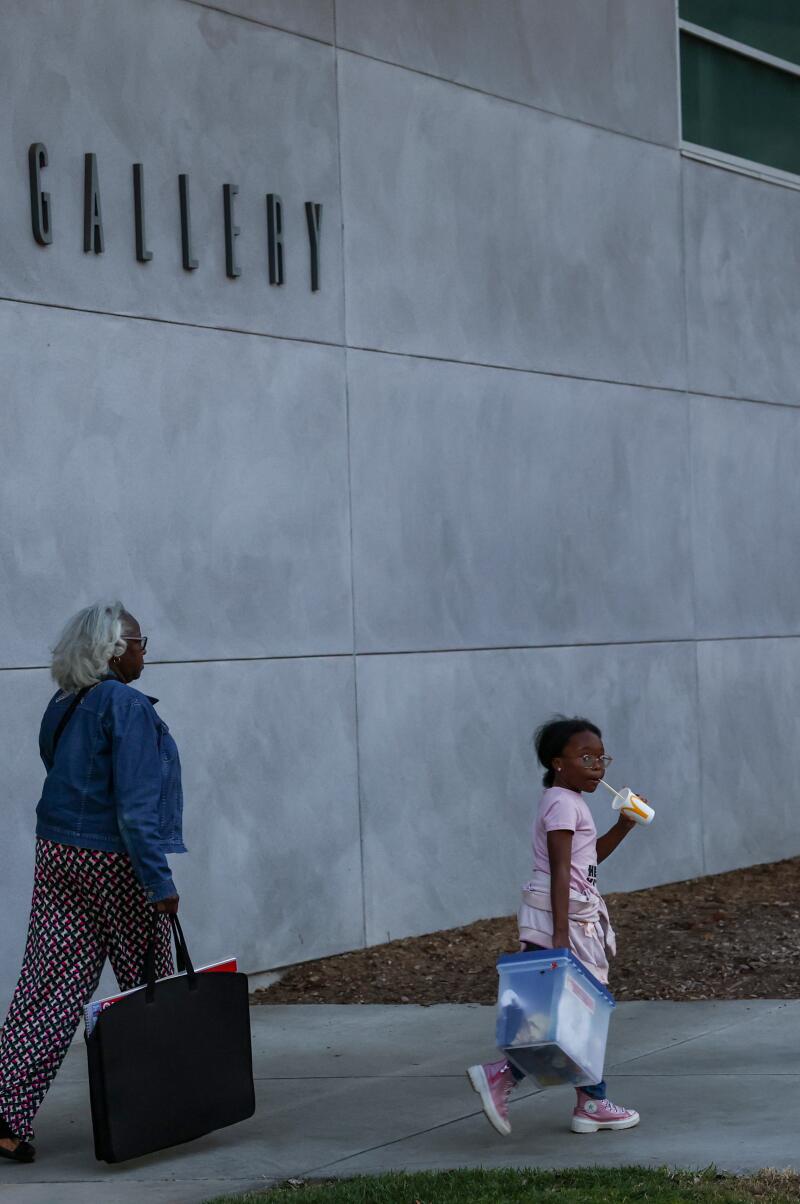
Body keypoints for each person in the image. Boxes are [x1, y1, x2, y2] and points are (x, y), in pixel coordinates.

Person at [0, 602, 186, 1163]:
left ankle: (5, 1115)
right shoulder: (125, 705)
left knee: (49, 986)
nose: (143, 649)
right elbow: (133, 807)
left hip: (58, 851)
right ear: (112, 648)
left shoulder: (65, 702)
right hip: (114, 859)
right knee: (149, 987)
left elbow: (53, 762)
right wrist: (158, 881)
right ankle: (163, 1108)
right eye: (137, 640)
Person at [467, 715, 643, 1137]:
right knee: (579, 1009)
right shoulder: (563, 803)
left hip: (566, 913)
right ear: (557, 762)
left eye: (602, 758)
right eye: (586, 757)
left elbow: (586, 863)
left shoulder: (569, 802)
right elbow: (561, 870)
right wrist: (561, 939)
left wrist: (623, 825)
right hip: (563, 919)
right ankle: (514, 1079)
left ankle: (587, 1100)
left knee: (569, 1010)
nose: (597, 767)